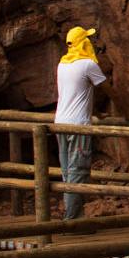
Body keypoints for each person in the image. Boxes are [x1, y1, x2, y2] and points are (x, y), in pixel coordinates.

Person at [54, 25, 108, 220]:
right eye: (88, 39)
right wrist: (126, 112)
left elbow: (79, 94)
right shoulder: (87, 64)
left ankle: (76, 216)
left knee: (67, 170)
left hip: (60, 122)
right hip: (78, 125)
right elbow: (106, 88)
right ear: (83, 43)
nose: (91, 42)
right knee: (78, 170)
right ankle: (71, 220)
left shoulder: (63, 64)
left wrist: (96, 112)